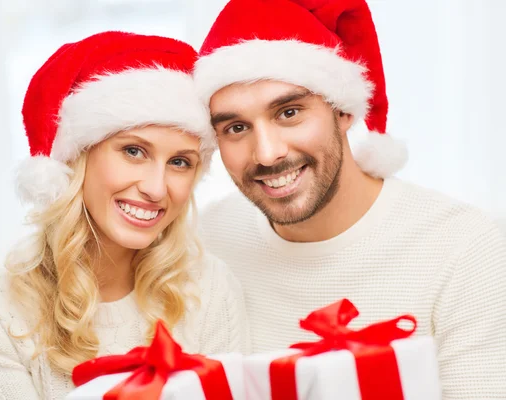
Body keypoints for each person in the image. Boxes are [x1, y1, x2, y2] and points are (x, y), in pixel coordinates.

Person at [193, 0, 506, 398]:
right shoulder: (206, 241)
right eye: (236, 127)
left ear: (343, 111)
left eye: (289, 112)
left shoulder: (460, 245)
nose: (267, 153)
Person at [0, 31, 249, 399]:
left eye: (180, 162)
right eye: (133, 151)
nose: (156, 187)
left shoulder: (210, 289)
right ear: (76, 158)